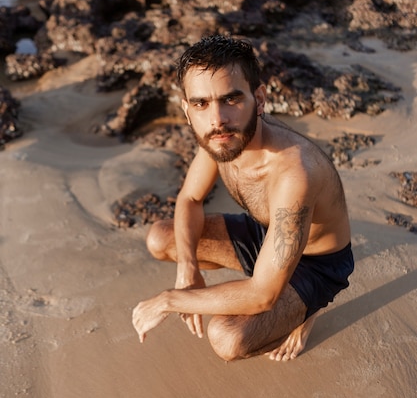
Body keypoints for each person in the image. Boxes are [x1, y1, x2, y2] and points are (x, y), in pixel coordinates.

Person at [132, 35, 354, 361]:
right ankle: (267, 273)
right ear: (187, 109)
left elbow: (263, 295)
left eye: (231, 99)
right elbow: (190, 199)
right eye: (201, 103)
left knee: (227, 339)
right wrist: (188, 268)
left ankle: (306, 312)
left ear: (259, 98)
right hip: (266, 236)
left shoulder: (294, 172)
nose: (217, 117)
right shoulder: (220, 136)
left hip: (317, 265)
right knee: (161, 238)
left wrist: (169, 299)